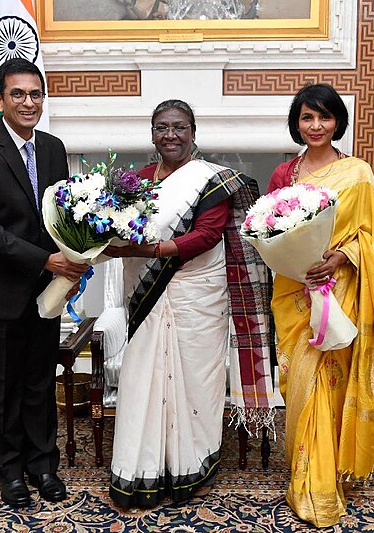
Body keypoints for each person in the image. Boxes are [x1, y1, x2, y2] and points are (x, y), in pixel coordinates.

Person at [102, 99, 275, 508]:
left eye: (179, 127)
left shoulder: (210, 181)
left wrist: (156, 249)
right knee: (143, 376)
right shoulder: (136, 181)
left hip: (198, 296)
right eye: (162, 128)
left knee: (197, 382)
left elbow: (207, 235)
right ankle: (140, 468)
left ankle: (189, 466)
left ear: (193, 132)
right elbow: (112, 229)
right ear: (152, 134)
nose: (170, 135)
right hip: (147, 295)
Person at [0, 58, 87, 508]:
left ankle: (43, 465)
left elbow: (63, 216)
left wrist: (77, 254)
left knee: (39, 381)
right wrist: (48, 261)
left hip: (44, 289)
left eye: (35, 94)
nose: (28, 103)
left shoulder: (52, 147)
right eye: (18, 94)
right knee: (7, 385)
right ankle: (9, 470)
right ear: (0, 99)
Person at [267, 84, 374, 527]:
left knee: (329, 377)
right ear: (296, 123)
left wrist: (338, 258)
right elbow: (271, 231)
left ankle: (321, 476)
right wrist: (299, 265)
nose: (315, 126)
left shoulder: (357, 173)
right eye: (306, 118)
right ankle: (307, 463)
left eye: (323, 117)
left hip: (338, 288)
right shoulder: (285, 174)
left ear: (337, 121)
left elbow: (373, 236)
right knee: (300, 378)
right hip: (294, 290)